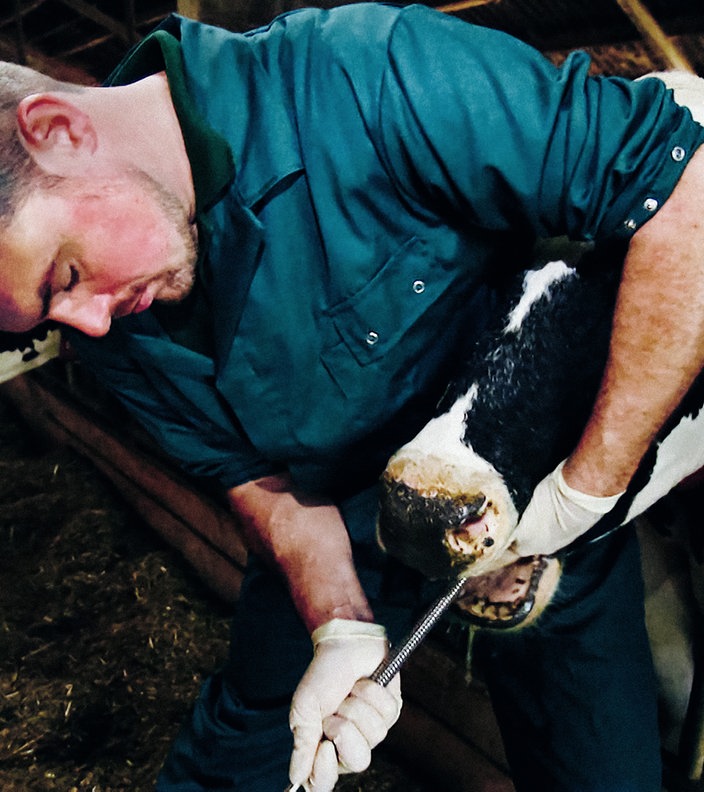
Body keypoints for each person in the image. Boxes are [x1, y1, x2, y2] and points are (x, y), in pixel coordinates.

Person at [1, 3, 704, 790]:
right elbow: (248, 475)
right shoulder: (114, 327)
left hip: (527, 507)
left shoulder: (371, 74)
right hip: (346, 530)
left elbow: (688, 196)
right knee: (239, 767)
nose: (86, 321)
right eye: (50, 315)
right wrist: (338, 622)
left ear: (59, 128)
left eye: (62, 274)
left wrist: (584, 491)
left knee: (602, 769)